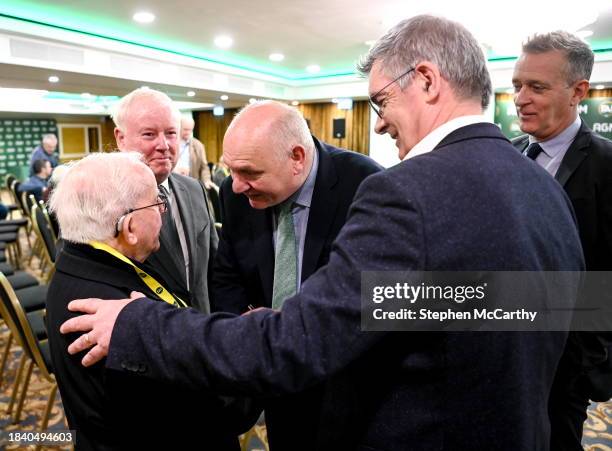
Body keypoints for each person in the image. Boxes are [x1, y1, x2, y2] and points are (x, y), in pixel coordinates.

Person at [62, 15, 584, 450]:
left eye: (380, 100)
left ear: (426, 80)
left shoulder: (403, 192)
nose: (378, 123)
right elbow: (523, 313)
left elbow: (298, 344)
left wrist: (139, 326)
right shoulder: (541, 184)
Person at [211, 100, 382, 449]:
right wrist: (247, 333)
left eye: (250, 173)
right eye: (231, 171)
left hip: (343, 380)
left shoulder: (367, 185)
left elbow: (372, 294)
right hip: (273, 377)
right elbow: (225, 274)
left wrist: (295, 327)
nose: (238, 185)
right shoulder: (235, 193)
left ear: (297, 158)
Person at [46, 152, 241, 450]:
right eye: (157, 201)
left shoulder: (74, 262)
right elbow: (206, 415)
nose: (163, 210)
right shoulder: (117, 314)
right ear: (130, 228)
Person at [511, 30, 612, 451]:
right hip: (502, 346)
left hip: (566, 364)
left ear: (578, 91)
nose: (520, 99)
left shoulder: (607, 166)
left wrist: (591, 362)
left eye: (536, 87)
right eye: (517, 85)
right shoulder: (506, 154)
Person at [113, 88, 217, 312]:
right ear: (121, 138)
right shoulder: (99, 203)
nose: (164, 145)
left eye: (171, 133)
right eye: (149, 134)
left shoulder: (194, 190)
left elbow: (215, 269)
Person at [174, 115, 213, 187]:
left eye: (190, 130)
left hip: (191, 184)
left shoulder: (198, 145)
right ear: (179, 127)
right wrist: (175, 170)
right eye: (185, 129)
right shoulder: (172, 143)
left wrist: (207, 180)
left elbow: (204, 167)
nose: (188, 132)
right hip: (174, 182)